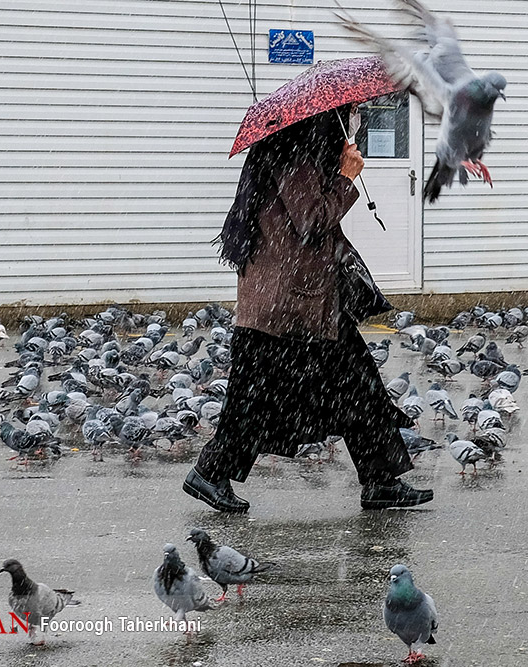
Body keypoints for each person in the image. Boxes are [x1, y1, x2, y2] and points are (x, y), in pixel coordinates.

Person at [183, 104, 434, 513]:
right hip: (286, 309)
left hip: (302, 301)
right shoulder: (293, 156)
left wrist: (338, 172)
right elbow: (312, 220)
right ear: (322, 119)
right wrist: (347, 179)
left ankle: (380, 481)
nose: (354, 122)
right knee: (257, 398)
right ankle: (210, 472)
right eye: (350, 114)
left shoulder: (295, 151)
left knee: (357, 385)